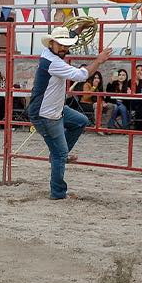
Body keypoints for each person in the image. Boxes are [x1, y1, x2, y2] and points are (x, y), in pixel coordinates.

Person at [26, 26, 112, 200]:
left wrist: (77, 31)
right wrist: (99, 60)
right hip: (46, 113)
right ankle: (58, 193)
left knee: (80, 121)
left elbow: (66, 39)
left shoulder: (48, 53)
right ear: (52, 43)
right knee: (59, 154)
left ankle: (60, 154)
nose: (64, 48)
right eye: (61, 45)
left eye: (66, 45)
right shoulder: (54, 63)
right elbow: (81, 75)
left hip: (53, 108)